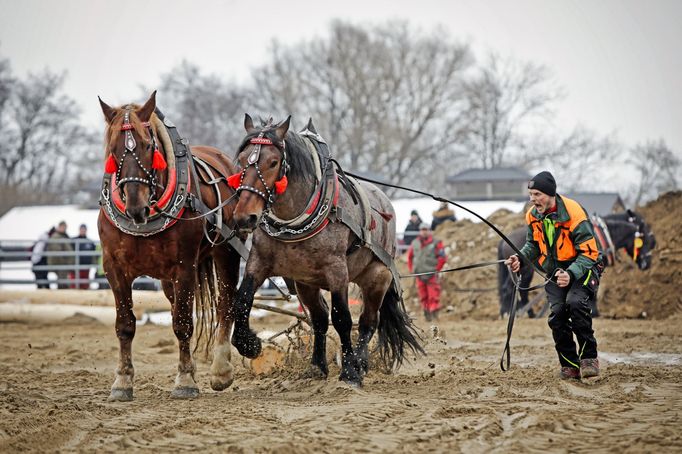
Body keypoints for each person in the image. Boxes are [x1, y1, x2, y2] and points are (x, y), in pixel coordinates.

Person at [506, 171, 601, 380]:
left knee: (575, 304)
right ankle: (569, 365)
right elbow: (533, 245)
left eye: (537, 194)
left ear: (550, 193)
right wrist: (519, 258)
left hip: (584, 266)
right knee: (557, 314)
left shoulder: (574, 213)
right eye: (531, 194)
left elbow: (590, 252)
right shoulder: (532, 215)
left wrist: (571, 273)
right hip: (555, 270)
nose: (533, 199)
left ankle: (589, 358)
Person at [407, 223, 447, 321]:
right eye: (422, 229)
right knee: (423, 296)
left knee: (433, 296)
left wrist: (437, 269)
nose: (424, 231)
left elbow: (442, 257)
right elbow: (410, 257)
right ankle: (427, 315)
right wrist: (412, 270)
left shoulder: (437, 243)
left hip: (431, 274)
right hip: (419, 275)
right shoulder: (415, 242)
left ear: (429, 231)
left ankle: (434, 315)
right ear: (420, 231)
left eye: (426, 229)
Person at [46, 221, 74, 289]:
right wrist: (64, 261)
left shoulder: (63, 235)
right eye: (63, 227)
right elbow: (56, 251)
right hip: (60, 263)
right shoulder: (56, 236)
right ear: (59, 227)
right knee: (62, 281)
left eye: (65, 227)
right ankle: (62, 293)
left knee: (64, 279)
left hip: (64, 264)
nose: (64, 229)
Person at [74, 224, 96, 289]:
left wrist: (93, 263)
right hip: (75, 267)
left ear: (86, 230)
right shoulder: (74, 240)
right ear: (79, 230)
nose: (83, 231)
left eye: (84, 229)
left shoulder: (90, 242)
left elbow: (94, 252)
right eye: (81, 229)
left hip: (86, 267)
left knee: (85, 284)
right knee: (75, 284)